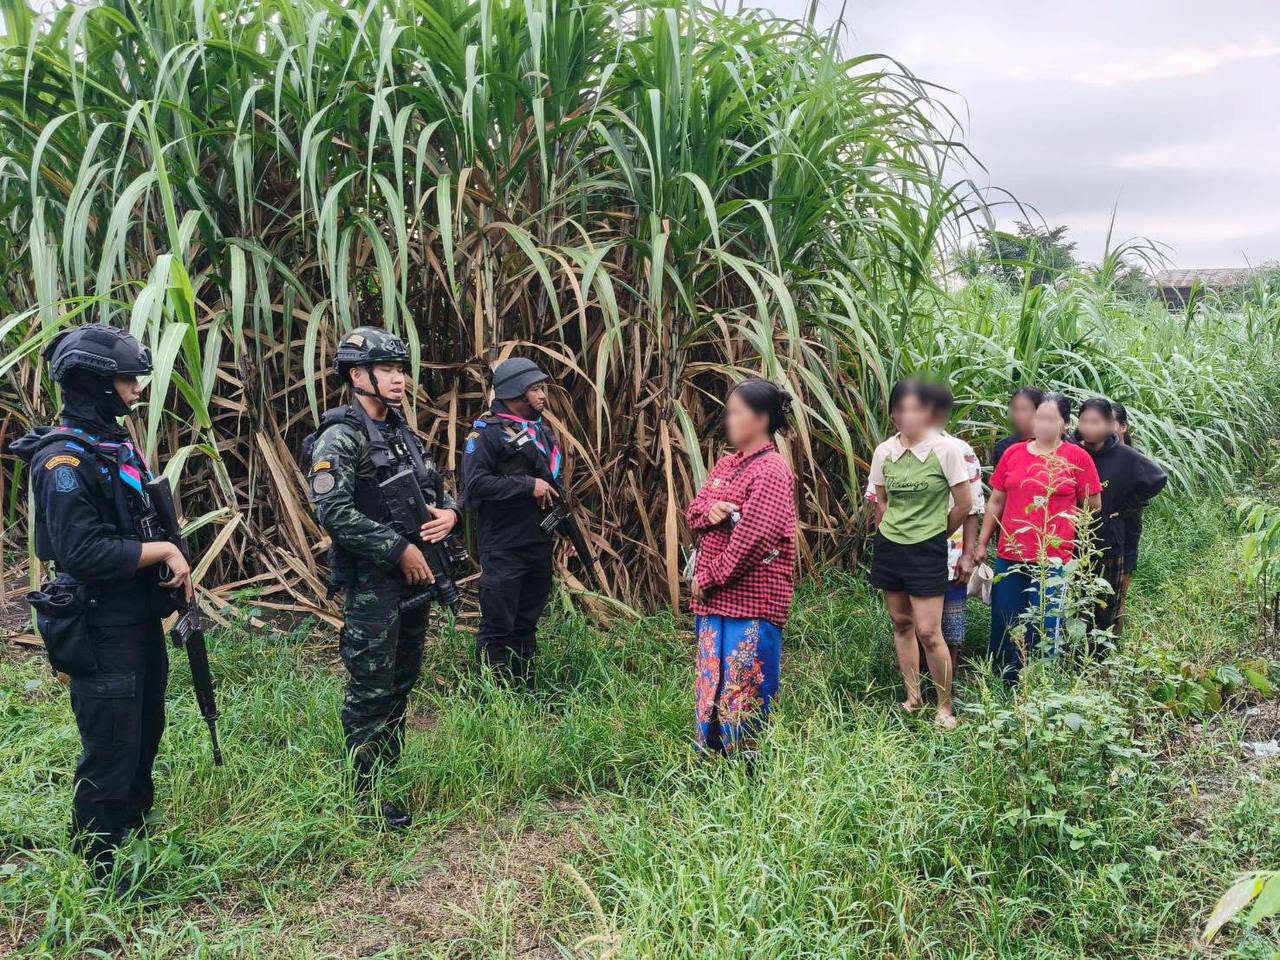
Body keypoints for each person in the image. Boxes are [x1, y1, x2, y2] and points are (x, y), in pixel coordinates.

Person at [12, 325, 193, 897]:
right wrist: (162, 550)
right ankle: (98, 877)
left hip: (136, 620)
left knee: (143, 735)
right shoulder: (64, 460)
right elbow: (80, 551)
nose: (136, 390)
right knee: (111, 747)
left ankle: (133, 847)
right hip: (99, 624)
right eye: (126, 379)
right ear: (95, 384)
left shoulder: (113, 447)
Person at [306, 327, 460, 831]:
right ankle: (364, 799)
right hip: (374, 582)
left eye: (401, 370)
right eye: (388, 370)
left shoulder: (400, 433)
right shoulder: (341, 437)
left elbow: (436, 487)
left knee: (402, 680)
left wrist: (450, 516)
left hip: (414, 579)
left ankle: (385, 777)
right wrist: (398, 549)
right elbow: (332, 510)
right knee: (370, 687)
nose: (398, 380)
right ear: (358, 375)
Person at [685, 378, 797, 758]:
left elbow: (754, 540)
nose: (728, 420)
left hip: (751, 600)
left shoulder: (771, 471)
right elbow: (694, 511)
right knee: (712, 678)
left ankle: (746, 766)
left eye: (737, 413)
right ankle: (710, 758)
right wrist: (712, 512)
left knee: (744, 681)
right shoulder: (726, 465)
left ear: (762, 419)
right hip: (715, 601)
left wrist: (707, 576)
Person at [868, 380, 973, 728]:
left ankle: (945, 705)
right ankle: (913, 696)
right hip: (891, 547)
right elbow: (881, 501)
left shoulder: (945, 450)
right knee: (901, 623)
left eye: (917, 410)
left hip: (927, 549)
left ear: (928, 413)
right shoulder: (884, 451)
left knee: (929, 631)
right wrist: (887, 532)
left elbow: (964, 504)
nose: (910, 417)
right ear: (895, 414)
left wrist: (936, 533)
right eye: (903, 410)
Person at [976, 393, 1101, 682]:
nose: (1041, 424)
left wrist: (1066, 526)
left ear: (1064, 424)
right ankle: (1004, 682)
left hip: (1053, 558)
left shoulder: (1076, 457)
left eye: (1049, 419)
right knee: (1005, 619)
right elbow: (996, 501)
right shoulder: (1013, 454)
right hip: (1011, 553)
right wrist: (982, 543)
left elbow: (1093, 505)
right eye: (1038, 418)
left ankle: (1040, 682)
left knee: (1044, 621)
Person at [461, 357, 563, 691]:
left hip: (538, 542)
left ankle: (524, 691)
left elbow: (552, 484)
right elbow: (473, 485)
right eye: (535, 389)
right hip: (504, 546)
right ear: (514, 392)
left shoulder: (541, 432)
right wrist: (526, 486)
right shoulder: (486, 434)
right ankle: (489, 700)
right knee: (498, 625)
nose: (542, 396)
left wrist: (564, 531)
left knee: (527, 622)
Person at [1074, 398, 1167, 636]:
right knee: (1074, 605)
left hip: (1109, 540)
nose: (1088, 427)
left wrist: (1127, 507)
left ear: (1110, 425)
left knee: (1107, 605)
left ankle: (1103, 658)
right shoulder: (1072, 451)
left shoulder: (1125, 456)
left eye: (1095, 422)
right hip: (1072, 543)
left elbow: (1157, 479)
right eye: (1084, 421)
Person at [992, 386, 1045, 469]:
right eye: (1015, 409)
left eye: (1024, 409)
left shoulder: (1057, 445)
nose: (1018, 416)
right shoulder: (1003, 447)